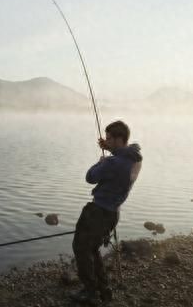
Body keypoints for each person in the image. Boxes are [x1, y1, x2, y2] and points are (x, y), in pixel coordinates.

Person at [70, 120, 142, 304]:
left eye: (109, 138)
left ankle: (90, 292)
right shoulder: (134, 157)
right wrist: (110, 150)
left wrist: (101, 161)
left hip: (98, 212)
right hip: (113, 213)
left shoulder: (112, 163)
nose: (106, 140)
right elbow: (121, 158)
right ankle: (103, 290)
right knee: (92, 248)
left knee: (81, 248)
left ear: (119, 139)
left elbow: (90, 177)